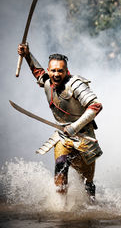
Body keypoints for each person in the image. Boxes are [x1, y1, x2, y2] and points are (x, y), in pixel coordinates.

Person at [17, 43, 103, 201]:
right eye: (53, 70)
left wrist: (75, 127)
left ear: (66, 71)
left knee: (87, 182)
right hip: (63, 136)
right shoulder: (47, 81)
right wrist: (27, 55)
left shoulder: (76, 84)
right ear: (49, 71)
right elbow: (38, 73)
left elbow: (96, 106)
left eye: (60, 71)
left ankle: (91, 211)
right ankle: (60, 206)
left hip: (84, 136)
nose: (56, 74)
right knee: (60, 166)